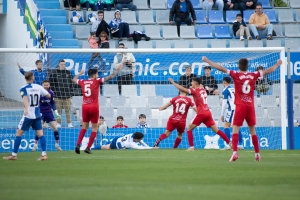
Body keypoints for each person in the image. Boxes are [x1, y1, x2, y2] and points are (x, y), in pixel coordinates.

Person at [202, 56, 282, 161]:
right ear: (247, 66)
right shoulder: (253, 74)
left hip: (240, 106)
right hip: (250, 106)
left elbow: (220, 68)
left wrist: (208, 61)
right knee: (253, 131)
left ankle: (235, 152)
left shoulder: (236, 74)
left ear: (238, 66)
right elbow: (267, 71)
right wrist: (277, 64)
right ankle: (257, 154)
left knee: (235, 129)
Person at [168, 77, 231, 151]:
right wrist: (194, 85)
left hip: (201, 113)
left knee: (189, 128)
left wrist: (173, 83)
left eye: (192, 82)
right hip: (207, 112)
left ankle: (191, 147)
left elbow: (183, 89)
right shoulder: (202, 89)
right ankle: (230, 144)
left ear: (195, 83)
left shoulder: (195, 91)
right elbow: (199, 85)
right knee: (217, 130)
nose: (191, 83)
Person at [73, 66, 122, 154]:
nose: (97, 75)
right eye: (97, 73)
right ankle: (88, 148)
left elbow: (73, 79)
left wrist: (79, 74)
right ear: (95, 75)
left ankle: (77, 144)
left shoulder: (82, 81)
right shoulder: (97, 81)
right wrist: (118, 69)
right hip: (94, 107)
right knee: (94, 128)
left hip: (84, 106)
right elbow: (111, 76)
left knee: (84, 127)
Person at [3, 72, 50, 161]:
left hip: (28, 115)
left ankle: (14, 155)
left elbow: (24, 98)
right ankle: (44, 155)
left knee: (19, 133)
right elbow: (48, 95)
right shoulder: (39, 87)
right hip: (37, 115)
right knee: (40, 134)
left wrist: (26, 109)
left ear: (25, 78)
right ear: (33, 78)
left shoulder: (23, 88)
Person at [32, 80, 63, 152]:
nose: (45, 86)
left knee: (55, 128)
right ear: (42, 85)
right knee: (40, 129)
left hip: (49, 112)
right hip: (41, 112)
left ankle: (57, 144)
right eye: (44, 85)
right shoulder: (39, 92)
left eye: (47, 85)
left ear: (49, 85)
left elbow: (53, 103)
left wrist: (56, 113)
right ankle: (35, 145)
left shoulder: (51, 92)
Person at [48, 59, 74, 128]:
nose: (63, 65)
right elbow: (51, 84)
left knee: (68, 110)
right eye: (61, 64)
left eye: (64, 64)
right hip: (57, 96)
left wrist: (70, 92)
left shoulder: (68, 73)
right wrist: (54, 93)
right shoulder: (54, 73)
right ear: (59, 64)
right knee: (58, 111)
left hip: (67, 96)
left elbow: (72, 83)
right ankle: (58, 123)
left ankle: (69, 123)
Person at [220, 77, 244, 150]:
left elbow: (224, 104)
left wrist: (222, 114)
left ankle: (228, 145)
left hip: (232, 110)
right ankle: (241, 144)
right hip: (239, 109)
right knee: (236, 127)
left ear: (224, 82)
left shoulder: (225, 90)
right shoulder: (234, 89)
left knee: (226, 125)